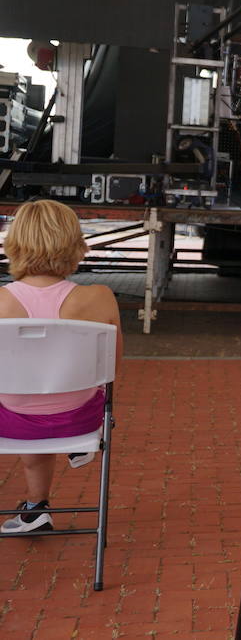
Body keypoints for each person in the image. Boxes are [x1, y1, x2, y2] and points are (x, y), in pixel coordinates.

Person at [0, 200, 123, 535]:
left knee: (22, 397)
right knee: (52, 393)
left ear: (15, 242)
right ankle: (39, 502)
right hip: (80, 417)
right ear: (74, 244)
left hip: (12, 425)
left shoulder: (2, 302)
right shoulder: (99, 298)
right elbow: (112, 367)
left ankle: (35, 508)